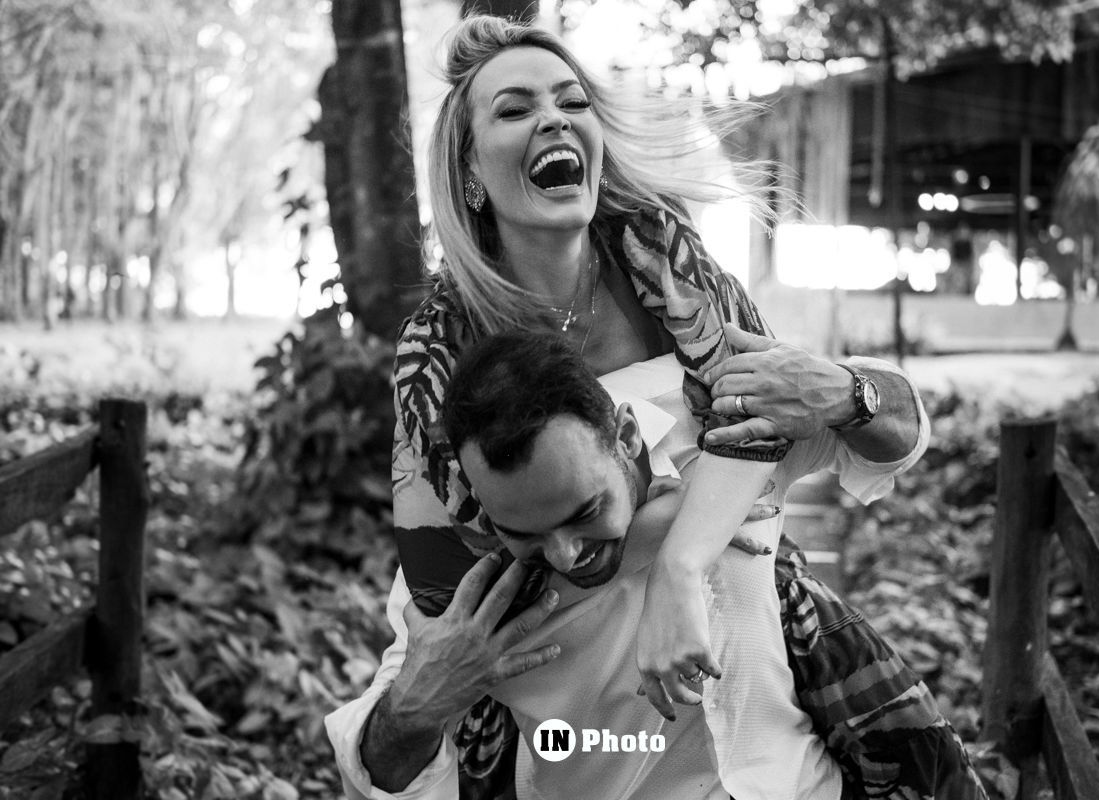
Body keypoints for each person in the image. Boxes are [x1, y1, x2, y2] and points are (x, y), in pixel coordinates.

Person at [379, 14, 931, 797]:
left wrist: (686, 558)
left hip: (780, 757)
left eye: (573, 102)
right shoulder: (437, 363)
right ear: (469, 173)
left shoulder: (681, 279)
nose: (553, 120)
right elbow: (449, 602)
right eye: (513, 109)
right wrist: (693, 518)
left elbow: (846, 431)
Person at [326, 331, 985, 799]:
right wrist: (418, 705)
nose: (565, 554)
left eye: (584, 512)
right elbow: (380, 773)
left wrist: (850, 392)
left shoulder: (712, 419)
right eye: (523, 531)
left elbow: (900, 440)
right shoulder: (452, 568)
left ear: (627, 438)